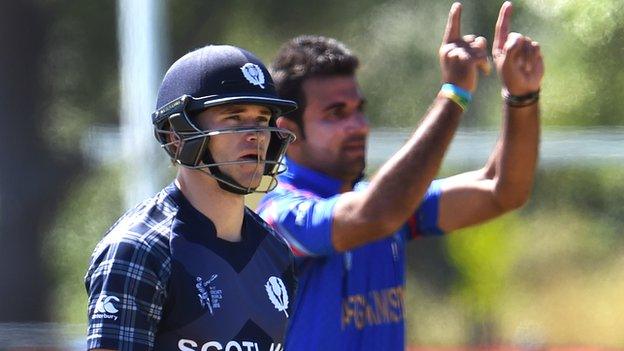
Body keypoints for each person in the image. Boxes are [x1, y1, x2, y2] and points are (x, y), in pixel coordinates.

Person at [257, 2, 543, 350]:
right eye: (336, 114)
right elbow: (375, 214)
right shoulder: (279, 218)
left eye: (359, 110)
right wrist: (454, 93)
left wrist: (521, 97)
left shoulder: (386, 205)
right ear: (289, 131)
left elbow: (503, 191)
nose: (358, 126)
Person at [85, 45, 299, 351]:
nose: (256, 134)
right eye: (235, 118)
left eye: (262, 119)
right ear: (178, 134)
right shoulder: (140, 249)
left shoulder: (274, 250)